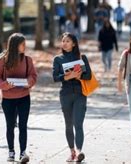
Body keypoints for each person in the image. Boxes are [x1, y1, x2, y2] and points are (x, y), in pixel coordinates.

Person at [0, 33, 37, 163]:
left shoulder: (28, 60)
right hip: (8, 98)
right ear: (15, 45)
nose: (25, 46)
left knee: (23, 125)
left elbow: (33, 76)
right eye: (22, 44)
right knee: (10, 125)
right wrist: (5, 85)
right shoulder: (2, 60)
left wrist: (29, 82)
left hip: (24, 97)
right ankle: (11, 151)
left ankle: (23, 152)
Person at [52, 32, 93, 162]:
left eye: (67, 41)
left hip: (80, 94)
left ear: (74, 43)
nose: (64, 43)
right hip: (65, 94)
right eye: (63, 41)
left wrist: (78, 75)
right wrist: (67, 76)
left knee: (78, 124)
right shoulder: (58, 59)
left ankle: (80, 151)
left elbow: (88, 76)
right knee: (69, 125)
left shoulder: (82, 57)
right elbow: (55, 77)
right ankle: (72, 152)